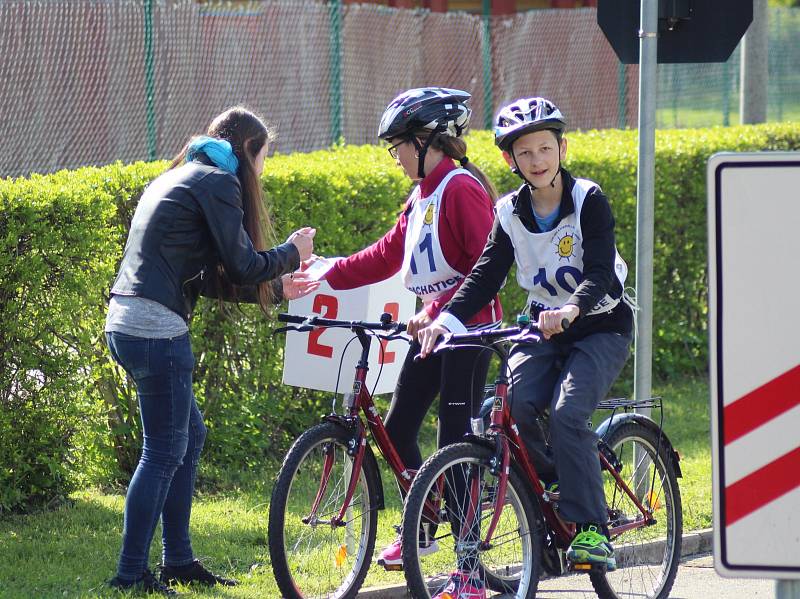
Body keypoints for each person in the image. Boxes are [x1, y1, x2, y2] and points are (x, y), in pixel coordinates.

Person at [104, 106, 318, 595]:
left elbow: (206, 277)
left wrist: (280, 287)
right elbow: (243, 266)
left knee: (188, 436)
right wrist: (292, 251)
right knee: (162, 452)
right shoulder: (219, 182)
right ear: (248, 149)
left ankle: (178, 559)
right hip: (157, 329)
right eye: (264, 157)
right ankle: (130, 573)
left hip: (128, 323)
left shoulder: (183, 175)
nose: (262, 170)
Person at [419, 97, 634, 582]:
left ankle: (592, 528)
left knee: (567, 413)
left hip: (600, 325)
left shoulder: (588, 200)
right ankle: (564, 480)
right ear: (508, 161)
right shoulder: (508, 213)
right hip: (543, 327)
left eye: (545, 149)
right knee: (509, 410)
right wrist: (446, 322)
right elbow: (484, 275)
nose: (537, 161)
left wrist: (573, 307)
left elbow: (600, 270)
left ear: (562, 147)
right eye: (525, 153)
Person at [318, 87, 502, 576]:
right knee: (398, 427)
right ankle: (425, 516)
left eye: (398, 145)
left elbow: (486, 268)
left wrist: (438, 307)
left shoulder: (461, 188)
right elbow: (385, 254)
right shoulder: (423, 193)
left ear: (427, 141)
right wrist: (325, 271)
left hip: (468, 330)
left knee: (453, 438)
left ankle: (468, 562)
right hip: (434, 330)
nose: (395, 156)